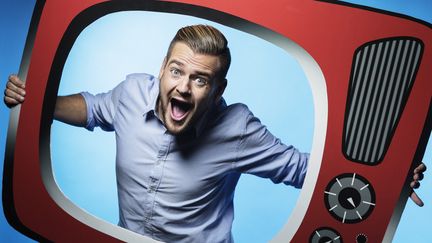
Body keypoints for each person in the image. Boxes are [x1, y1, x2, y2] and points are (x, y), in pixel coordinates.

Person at [4, 25, 427, 242]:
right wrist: (36, 98)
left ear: (218, 90)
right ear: (162, 68)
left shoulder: (237, 127)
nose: (184, 87)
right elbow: (94, 107)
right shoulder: (132, 91)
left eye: (200, 80)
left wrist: (388, 177)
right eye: (176, 71)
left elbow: (305, 170)